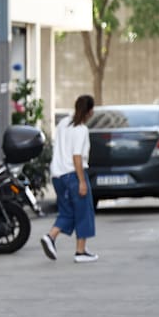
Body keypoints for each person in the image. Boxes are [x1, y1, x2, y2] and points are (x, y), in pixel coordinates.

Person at [41, 95, 97, 263]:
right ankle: (80, 252)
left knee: (68, 211)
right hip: (73, 175)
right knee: (83, 212)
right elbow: (77, 157)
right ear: (90, 111)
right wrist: (81, 181)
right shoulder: (81, 130)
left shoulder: (64, 123)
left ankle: (51, 237)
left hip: (57, 175)